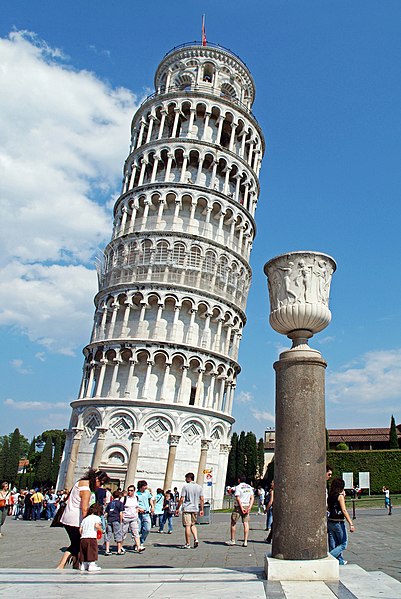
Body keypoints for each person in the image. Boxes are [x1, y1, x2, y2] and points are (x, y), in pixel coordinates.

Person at [57, 468, 109, 569]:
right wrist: (86, 524)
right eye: (101, 484)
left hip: (67, 517)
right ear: (97, 480)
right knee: (77, 544)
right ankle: (62, 565)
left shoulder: (80, 482)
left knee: (76, 543)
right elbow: (85, 509)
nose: (100, 487)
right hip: (75, 520)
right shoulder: (86, 490)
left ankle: (76, 564)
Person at [327, 477, 355, 565]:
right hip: (338, 522)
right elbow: (344, 510)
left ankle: (339, 561)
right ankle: (329, 558)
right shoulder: (340, 497)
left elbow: (328, 508)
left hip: (330, 521)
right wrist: (351, 523)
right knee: (343, 544)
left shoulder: (330, 496)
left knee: (333, 544)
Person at [175, 472, 204, 549]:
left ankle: (188, 543)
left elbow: (182, 498)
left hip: (187, 508)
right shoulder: (199, 487)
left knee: (187, 525)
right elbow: (201, 499)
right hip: (195, 508)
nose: (185, 480)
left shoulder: (186, 487)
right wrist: (201, 509)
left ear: (189, 478)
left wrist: (177, 508)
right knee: (193, 524)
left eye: (186, 478)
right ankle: (196, 539)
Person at [225, 475, 254, 547]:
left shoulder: (238, 487)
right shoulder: (249, 487)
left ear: (239, 480)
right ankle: (245, 541)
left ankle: (233, 540)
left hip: (238, 507)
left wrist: (241, 508)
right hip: (247, 505)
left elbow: (238, 498)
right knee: (246, 523)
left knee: (233, 522)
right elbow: (252, 498)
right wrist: (249, 507)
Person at [79, 503, 103, 572]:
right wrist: (102, 530)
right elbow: (96, 526)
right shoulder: (97, 518)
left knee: (84, 551)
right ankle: (92, 565)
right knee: (92, 551)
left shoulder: (85, 519)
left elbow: (80, 529)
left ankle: (84, 565)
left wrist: (82, 534)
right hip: (91, 537)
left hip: (83, 537)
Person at [121, 485, 144, 553]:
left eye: (131, 490)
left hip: (134, 518)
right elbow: (120, 508)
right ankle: (120, 546)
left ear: (134, 491)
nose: (129, 492)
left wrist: (139, 509)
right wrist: (121, 517)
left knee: (136, 532)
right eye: (129, 490)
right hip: (125, 518)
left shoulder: (136, 498)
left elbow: (136, 507)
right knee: (123, 533)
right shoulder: (124, 498)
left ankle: (138, 546)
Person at [104, 490, 125, 555]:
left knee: (108, 534)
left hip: (110, 519)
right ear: (119, 496)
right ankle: (119, 550)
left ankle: (107, 549)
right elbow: (121, 513)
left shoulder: (110, 503)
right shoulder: (120, 503)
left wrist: (106, 520)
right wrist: (121, 521)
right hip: (116, 519)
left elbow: (106, 513)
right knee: (118, 534)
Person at [136, 480, 155, 548]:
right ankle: (137, 544)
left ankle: (141, 541)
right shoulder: (136, 494)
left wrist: (152, 507)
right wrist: (138, 508)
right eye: (144, 486)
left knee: (147, 529)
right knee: (137, 529)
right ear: (141, 487)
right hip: (139, 513)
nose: (146, 487)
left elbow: (150, 499)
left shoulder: (147, 492)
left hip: (146, 513)